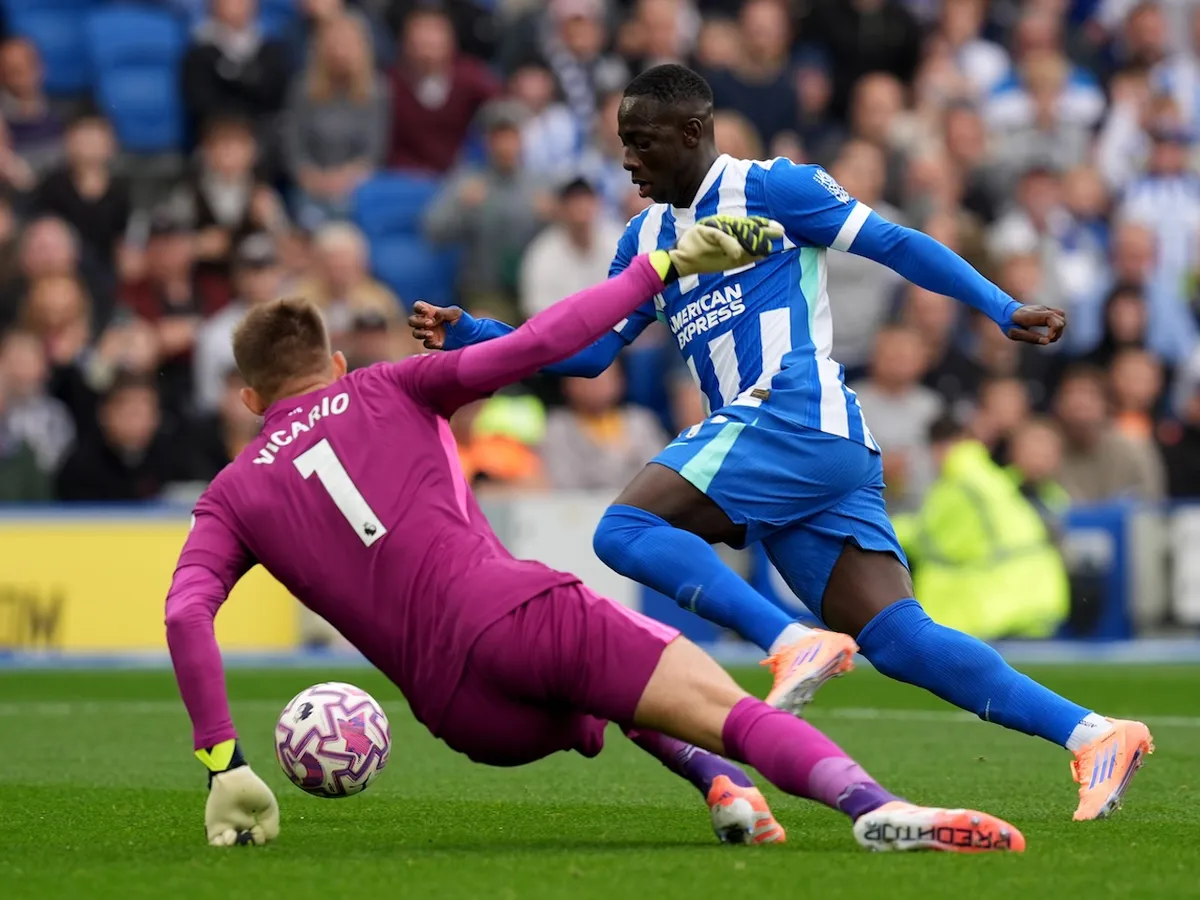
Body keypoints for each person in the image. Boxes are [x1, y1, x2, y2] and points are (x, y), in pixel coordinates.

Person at [409, 64, 1153, 821]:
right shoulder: (646, 237)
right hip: (800, 453)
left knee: (625, 527)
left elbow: (892, 243)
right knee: (899, 639)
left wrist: (999, 305)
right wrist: (475, 333)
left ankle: (788, 638)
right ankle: (1095, 734)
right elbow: (590, 353)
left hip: (793, 412)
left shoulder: (774, 188)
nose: (626, 160)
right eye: (621, 143)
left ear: (692, 132)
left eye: (641, 142)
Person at [165, 215, 1023, 853]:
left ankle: (718, 784)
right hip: (508, 613)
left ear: (249, 400)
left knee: (615, 684)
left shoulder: (232, 495)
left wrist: (224, 764)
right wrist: (658, 265)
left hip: (460, 715)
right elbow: (545, 341)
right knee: (704, 696)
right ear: (336, 365)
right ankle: (873, 805)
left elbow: (183, 615)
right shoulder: (392, 386)